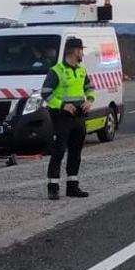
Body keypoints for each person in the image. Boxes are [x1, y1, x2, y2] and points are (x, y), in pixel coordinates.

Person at [40, 37, 95, 200]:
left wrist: (90, 100)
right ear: (75, 51)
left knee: (76, 151)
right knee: (58, 151)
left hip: (78, 116)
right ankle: (53, 187)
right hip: (61, 116)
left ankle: (72, 186)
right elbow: (46, 93)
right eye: (81, 50)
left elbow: (89, 88)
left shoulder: (82, 70)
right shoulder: (56, 71)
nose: (83, 54)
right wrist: (62, 105)